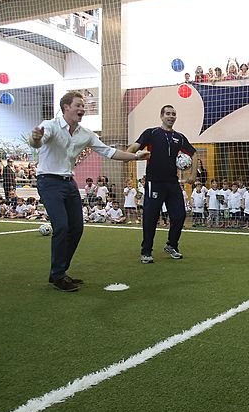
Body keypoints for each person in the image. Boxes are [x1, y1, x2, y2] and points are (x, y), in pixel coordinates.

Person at [31, 91, 150, 291]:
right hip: (48, 182)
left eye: (83, 106)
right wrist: (35, 138)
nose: (82, 109)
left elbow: (108, 151)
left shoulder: (85, 134)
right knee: (61, 227)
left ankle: (60, 272)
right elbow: (37, 142)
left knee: (76, 228)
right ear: (66, 107)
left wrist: (136, 157)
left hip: (69, 183)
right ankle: (58, 275)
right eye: (78, 105)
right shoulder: (49, 125)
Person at [128, 105, 196, 264]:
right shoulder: (151, 133)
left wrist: (192, 175)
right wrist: (131, 154)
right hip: (154, 183)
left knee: (180, 215)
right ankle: (146, 251)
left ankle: (172, 245)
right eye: (168, 114)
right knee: (150, 218)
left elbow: (193, 153)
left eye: (173, 114)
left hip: (172, 183)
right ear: (161, 116)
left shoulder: (179, 137)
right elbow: (134, 147)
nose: (171, 116)